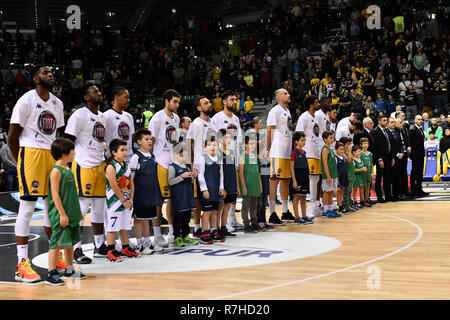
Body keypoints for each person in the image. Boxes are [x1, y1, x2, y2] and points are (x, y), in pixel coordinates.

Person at [9, 64, 65, 283]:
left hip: (51, 155)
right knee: (28, 207)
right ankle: (22, 264)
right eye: (45, 72)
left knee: (53, 208)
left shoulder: (57, 103)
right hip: (30, 154)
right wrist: (22, 160)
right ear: (35, 79)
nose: (50, 74)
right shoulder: (26, 100)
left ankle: (56, 257)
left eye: (52, 72)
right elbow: (13, 137)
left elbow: (56, 135)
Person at [64, 83, 107, 263]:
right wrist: (67, 165)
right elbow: (67, 141)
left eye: (99, 90)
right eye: (95, 91)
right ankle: (76, 249)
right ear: (86, 97)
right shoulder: (79, 115)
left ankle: (99, 245)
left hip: (99, 165)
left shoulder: (102, 117)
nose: (99, 93)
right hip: (83, 165)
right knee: (80, 210)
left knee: (98, 209)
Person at [46, 139, 86, 285]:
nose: (74, 153)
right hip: (61, 215)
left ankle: (69, 269)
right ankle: (51, 272)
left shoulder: (68, 169)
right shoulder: (56, 171)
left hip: (71, 214)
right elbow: (55, 194)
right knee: (56, 243)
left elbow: (71, 194)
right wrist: (62, 214)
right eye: (72, 150)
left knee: (69, 243)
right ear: (64, 153)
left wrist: (77, 212)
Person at [148, 89, 181, 246]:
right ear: (167, 101)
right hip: (160, 163)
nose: (177, 104)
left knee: (173, 200)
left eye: (178, 102)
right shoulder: (156, 119)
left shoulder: (176, 118)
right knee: (159, 200)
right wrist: (151, 161)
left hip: (173, 163)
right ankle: (157, 234)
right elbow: (150, 141)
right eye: (175, 101)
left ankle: (172, 232)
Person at [211, 91, 243, 232]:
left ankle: (232, 220)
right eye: (232, 100)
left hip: (233, 156)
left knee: (232, 191)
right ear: (224, 102)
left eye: (235, 100)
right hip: (221, 156)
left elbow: (239, 139)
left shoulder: (236, 119)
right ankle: (221, 224)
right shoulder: (217, 118)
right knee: (223, 192)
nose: (235, 102)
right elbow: (213, 138)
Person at [187, 96, 218, 238]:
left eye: (209, 102)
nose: (209, 104)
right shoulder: (196, 123)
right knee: (199, 198)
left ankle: (213, 228)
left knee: (211, 198)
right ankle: (198, 227)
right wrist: (191, 164)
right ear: (199, 108)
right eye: (206, 103)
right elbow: (189, 143)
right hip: (199, 165)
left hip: (212, 162)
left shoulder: (213, 124)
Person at [105, 139, 141, 262]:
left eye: (126, 150)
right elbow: (113, 185)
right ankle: (111, 250)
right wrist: (123, 200)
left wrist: (130, 199)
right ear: (114, 152)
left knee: (124, 226)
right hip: (115, 202)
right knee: (112, 227)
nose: (125, 152)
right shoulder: (111, 166)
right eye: (122, 150)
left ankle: (125, 248)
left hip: (126, 202)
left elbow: (132, 184)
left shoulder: (126, 166)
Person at [129, 129, 162, 254]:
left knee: (147, 218)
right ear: (139, 142)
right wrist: (131, 196)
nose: (150, 141)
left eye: (151, 139)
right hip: (140, 194)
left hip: (151, 193)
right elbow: (131, 178)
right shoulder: (136, 158)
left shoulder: (153, 156)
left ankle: (148, 242)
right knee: (139, 219)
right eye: (146, 139)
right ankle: (140, 244)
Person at [266, 89, 294, 225]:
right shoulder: (274, 111)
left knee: (285, 181)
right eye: (285, 93)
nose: (288, 95)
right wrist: (268, 148)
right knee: (274, 181)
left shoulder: (287, 111)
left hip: (286, 152)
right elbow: (269, 130)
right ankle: (271, 213)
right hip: (276, 151)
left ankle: (284, 211)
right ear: (278, 97)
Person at [168, 142, 199, 247]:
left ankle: (186, 235)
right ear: (175, 154)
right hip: (178, 197)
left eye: (185, 155)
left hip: (187, 195)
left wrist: (194, 177)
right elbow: (170, 181)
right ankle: (177, 236)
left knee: (186, 217)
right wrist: (182, 176)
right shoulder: (172, 167)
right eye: (182, 155)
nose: (184, 157)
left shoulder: (187, 166)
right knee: (178, 218)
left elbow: (191, 181)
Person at [296, 95, 322, 217]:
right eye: (316, 102)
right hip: (308, 151)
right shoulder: (304, 117)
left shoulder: (315, 118)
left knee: (316, 178)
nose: (318, 104)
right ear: (311, 104)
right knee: (311, 178)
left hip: (316, 150)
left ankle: (315, 206)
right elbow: (298, 134)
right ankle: (310, 206)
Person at [197, 138, 225, 243]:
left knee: (214, 211)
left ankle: (214, 230)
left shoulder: (219, 158)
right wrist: (204, 189)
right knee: (207, 211)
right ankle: (204, 232)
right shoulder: (202, 158)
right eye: (209, 145)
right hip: (208, 190)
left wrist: (221, 187)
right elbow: (200, 174)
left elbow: (221, 174)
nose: (212, 147)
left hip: (216, 190)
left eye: (214, 145)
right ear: (205, 147)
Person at [104, 86, 135, 163]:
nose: (128, 100)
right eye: (126, 97)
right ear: (117, 97)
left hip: (129, 159)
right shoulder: (105, 116)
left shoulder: (129, 116)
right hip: (113, 160)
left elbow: (131, 139)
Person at [239, 135, 263, 232]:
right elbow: (241, 174)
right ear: (245, 145)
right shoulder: (242, 156)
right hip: (247, 185)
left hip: (255, 184)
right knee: (245, 206)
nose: (253, 145)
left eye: (254, 144)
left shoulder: (255, 157)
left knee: (254, 206)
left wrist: (260, 185)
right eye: (250, 143)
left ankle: (254, 222)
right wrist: (243, 187)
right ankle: (246, 224)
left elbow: (257, 172)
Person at [217, 129, 238, 237]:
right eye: (226, 137)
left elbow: (233, 170)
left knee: (228, 206)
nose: (229, 140)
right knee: (221, 207)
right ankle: (217, 228)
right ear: (220, 139)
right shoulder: (218, 152)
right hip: (223, 184)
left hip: (231, 183)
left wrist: (236, 186)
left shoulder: (231, 152)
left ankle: (224, 227)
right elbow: (220, 171)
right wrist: (221, 186)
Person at [290, 132, 313, 224]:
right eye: (302, 140)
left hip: (304, 176)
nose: (304, 142)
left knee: (303, 196)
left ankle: (304, 215)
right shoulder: (294, 152)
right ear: (296, 141)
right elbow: (292, 167)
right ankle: (297, 217)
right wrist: (294, 180)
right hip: (297, 176)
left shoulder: (304, 152)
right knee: (296, 197)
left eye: (305, 140)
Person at [371, 115, 393, 203]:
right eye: (384, 120)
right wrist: (379, 159)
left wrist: (391, 157)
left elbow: (388, 145)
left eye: (386, 120)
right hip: (381, 159)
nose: (386, 122)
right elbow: (376, 147)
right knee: (379, 178)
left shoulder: (386, 131)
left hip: (388, 157)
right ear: (379, 121)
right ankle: (379, 197)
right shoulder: (375, 131)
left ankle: (388, 195)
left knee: (387, 177)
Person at [320, 130, 340, 218]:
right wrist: (328, 176)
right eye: (330, 138)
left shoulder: (331, 150)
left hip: (333, 175)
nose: (332, 140)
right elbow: (325, 163)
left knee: (331, 192)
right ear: (325, 139)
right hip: (327, 175)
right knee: (326, 192)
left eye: (333, 138)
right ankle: (325, 210)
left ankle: (330, 209)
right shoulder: (325, 149)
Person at [409, 115, 429, 197]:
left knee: (420, 172)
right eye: (418, 119)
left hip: (421, 154)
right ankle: (414, 190)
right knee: (415, 172)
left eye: (421, 119)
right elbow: (411, 143)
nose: (420, 121)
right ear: (415, 120)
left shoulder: (420, 129)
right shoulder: (413, 129)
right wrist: (412, 154)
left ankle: (419, 189)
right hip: (415, 154)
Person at [340, 137, 357, 212]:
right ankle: (346, 205)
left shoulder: (347, 152)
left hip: (351, 174)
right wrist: (350, 151)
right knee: (346, 191)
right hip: (347, 175)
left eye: (350, 144)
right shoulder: (343, 153)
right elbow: (349, 160)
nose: (349, 146)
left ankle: (350, 204)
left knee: (350, 191)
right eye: (347, 144)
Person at [335, 142, 350, 214]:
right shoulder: (335, 158)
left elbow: (349, 160)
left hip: (344, 177)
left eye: (343, 149)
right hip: (339, 177)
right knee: (339, 192)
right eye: (340, 149)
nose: (342, 151)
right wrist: (337, 179)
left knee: (342, 191)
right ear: (336, 150)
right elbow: (335, 170)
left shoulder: (343, 157)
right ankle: (339, 206)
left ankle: (341, 205)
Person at [360, 138, 374, 206]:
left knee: (368, 185)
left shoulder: (370, 154)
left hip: (368, 172)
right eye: (364, 143)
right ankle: (362, 200)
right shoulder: (360, 153)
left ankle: (367, 199)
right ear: (361, 145)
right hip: (363, 172)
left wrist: (372, 172)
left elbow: (371, 163)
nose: (366, 145)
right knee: (362, 187)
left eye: (367, 143)